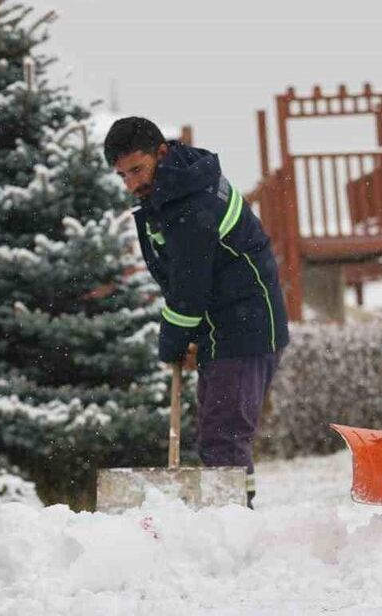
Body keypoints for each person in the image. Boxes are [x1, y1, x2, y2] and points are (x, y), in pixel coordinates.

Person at [104, 117, 289, 508]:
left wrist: (171, 342)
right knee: (219, 434)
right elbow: (198, 279)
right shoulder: (180, 187)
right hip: (227, 325)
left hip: (246, 328)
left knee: (224, 437)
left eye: (137, 169)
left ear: (162, 153)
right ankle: (230, 516)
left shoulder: (192, 203)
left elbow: (188, 292)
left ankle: (233, 520)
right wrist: (195, 337)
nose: (133, 184)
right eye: (123, 176)